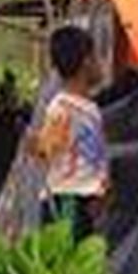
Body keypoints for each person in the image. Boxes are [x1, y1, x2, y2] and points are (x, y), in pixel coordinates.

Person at [31, 24, 109, 240]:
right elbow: (47, 149)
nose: (100, 64)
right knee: (69, 267)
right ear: (86, 62)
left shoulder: (88, 107)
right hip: (68, 203)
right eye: (97, 58)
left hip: (85, 201)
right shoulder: (62, 108)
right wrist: (39, 144)